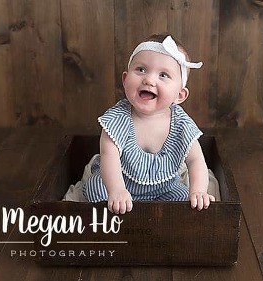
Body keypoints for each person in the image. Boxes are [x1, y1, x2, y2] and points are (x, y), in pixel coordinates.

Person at [83, 34, 215, 214]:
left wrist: (198, 190)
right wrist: (117, 190)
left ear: (179, 95)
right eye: (141, 70)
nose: (149, 80)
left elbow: (195, 160)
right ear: (125, 79)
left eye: (163, 75)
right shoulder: (117, 119)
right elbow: (109, 156)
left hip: (165, 189)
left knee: (186, 201)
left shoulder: (181, 124)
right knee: (96, 189)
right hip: (121, 183)